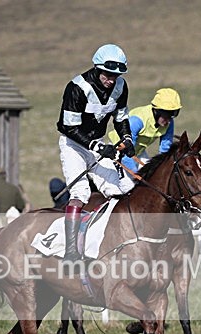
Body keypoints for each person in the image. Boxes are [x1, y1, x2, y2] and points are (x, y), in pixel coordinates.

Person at [57, 43, 136, 261]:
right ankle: (70, 252)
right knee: (80, 193)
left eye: (116, 75)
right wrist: (96, 146)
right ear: (97, 68)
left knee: (120, 190)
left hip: (97, 144)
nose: (111, 80)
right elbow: (68, 127)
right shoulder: (77, 87)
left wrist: (127, 138)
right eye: (108, 74)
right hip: (73, 145)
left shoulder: (121, 86)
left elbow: (120, 118)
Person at [108, 87, 181, 172]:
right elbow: (126, 153)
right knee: (132, 180)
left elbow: (165, 149)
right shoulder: (137, 121)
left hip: (138, 152)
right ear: (156, 111)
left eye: (173, 114)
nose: (169, 120)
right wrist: (136, 175)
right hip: (119, 151)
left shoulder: (168, 122)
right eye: (166, 115)